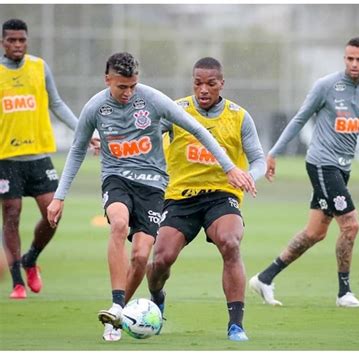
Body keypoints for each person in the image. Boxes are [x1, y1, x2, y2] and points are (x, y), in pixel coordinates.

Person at [46, 52, 256, 342]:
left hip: (163, 188)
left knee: (148, 255)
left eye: (133, 86)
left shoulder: (155, 100)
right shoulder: (95, 107)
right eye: (122, 87)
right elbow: (78, 149)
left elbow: (197, 129)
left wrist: (231, 168)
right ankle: (119, 307)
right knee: (129, 233)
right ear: (107, 80)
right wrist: (60, 196)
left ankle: (234, 324)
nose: (128, 92)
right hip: (133, 183)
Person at [249, 37, 359, 308]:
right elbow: (299, 119)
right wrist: (273, 153)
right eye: (349, 58)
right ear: (344, 58)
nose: (354, 64)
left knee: (315, 232)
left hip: (342, 168)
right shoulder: (326, 86)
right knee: (351, 225)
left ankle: (264, 279)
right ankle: (344, 293)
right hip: (323, 165)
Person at [145, 57, 265, 342]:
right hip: (179, 197)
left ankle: (236, 325)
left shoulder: (239, 116)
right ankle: (156, 298)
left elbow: (258, 159)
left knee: (231, 242)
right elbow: (144, 135)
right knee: (161, 259)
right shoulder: (175, 111)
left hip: (221, 197)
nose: (203, 90)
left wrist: (249, 176)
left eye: (211, 84)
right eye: (198, 83)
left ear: (222, 84)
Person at [0, 18, 97, 300]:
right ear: (3, 42)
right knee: (12, 213)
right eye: (11, 40)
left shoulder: (39, 67)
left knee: (53, 213)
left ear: (26, 41)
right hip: (6, 157)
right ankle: (17, 281)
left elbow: (56, 103)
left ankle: (31, 259)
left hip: (39, 155)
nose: (17, 45)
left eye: (21, 40)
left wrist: (84, 129)